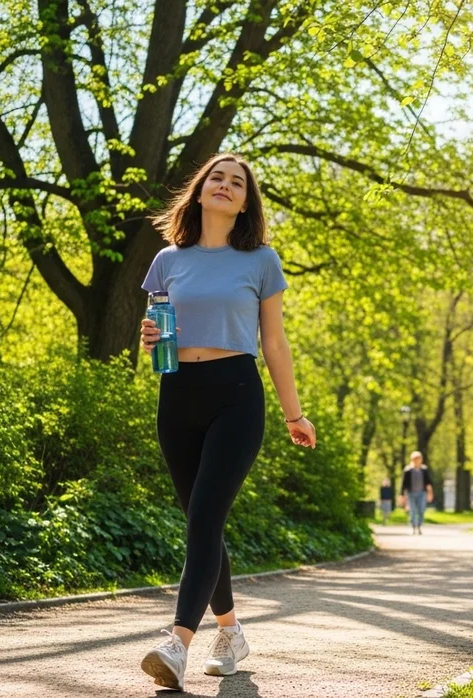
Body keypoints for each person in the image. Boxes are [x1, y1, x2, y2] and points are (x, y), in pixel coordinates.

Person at [137, 153, 316, 691]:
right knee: (202, 523)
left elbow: (275, 342)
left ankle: (176, 644)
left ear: (245, 203)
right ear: (200, 190)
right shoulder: (167, 260)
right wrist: (147, 338)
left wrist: (294, 413)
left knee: (204, 521)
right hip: (177, 397)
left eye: (237, 183)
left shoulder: (261, 260)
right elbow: (155, 334)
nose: (225, 185)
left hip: (237, 395)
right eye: (217, 177)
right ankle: (231, 631)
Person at [401, 452, 434, 535]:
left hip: (422, 493)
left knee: (421, 510)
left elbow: (428, 483)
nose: (418, 460)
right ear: (412, 459)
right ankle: (413, 526)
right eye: (416, 459)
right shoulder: (408, 470)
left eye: (419, 459)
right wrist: (402, 496)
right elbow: (404, 484)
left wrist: (430, 493)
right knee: (412, 510)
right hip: (411, 493)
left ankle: (419, 526)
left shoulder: (424, 469)